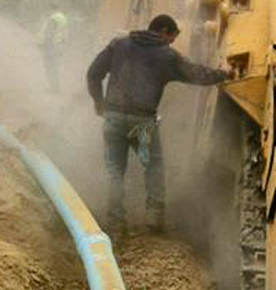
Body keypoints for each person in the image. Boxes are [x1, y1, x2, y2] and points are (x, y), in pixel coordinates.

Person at [85, 14, 229, 234]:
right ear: (163, 31)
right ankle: (154, 219)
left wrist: (99, 102)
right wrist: (224, 73)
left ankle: (115, 222)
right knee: (152, 167)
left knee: (115, 171)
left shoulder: (119, 45)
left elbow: (93, 73)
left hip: (112, 117)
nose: (171, 42)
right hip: (142, 122)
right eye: (171, 37)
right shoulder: (167, 56)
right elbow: (198, 75)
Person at [39, 9, 69, 93]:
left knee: (50, 67)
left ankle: (53, 88)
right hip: (59, 45)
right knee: (54, 67)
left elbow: (49, 34)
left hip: (52, 46)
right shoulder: (62, 17)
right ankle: (55, 87)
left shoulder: (53, 19)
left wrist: (44, 45)